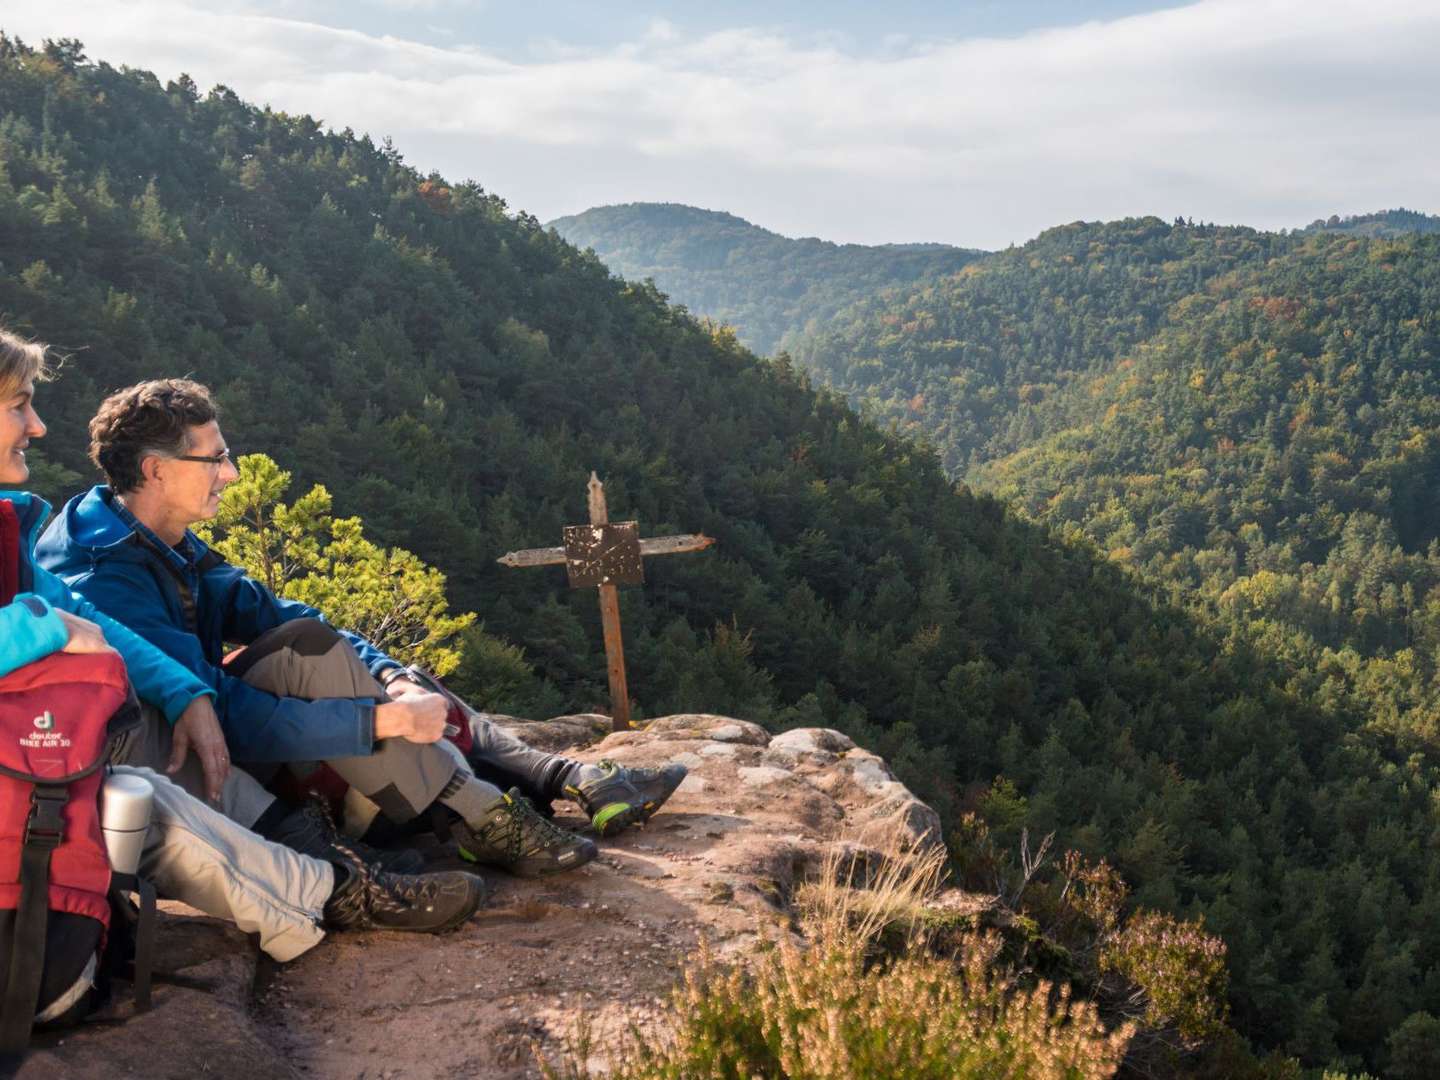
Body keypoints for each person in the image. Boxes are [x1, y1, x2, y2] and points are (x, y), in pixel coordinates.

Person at [38, 378, 687, 878]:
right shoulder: (101, 574)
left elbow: (283, 613)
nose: (231, 474)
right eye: (215, 458)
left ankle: (558, 780)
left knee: (364, 666)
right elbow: (219, 713)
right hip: (194, 773)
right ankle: (482, 816)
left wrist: (390, 677)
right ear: (155, 470)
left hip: (246, 742)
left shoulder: (158, 537)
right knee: (326, 666)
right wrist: (376, 721)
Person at [0, 327, 485, 988]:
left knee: (170, 766)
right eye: (20, 403)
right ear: (155, 471)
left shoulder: (18, 533)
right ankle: (336, 887)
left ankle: (350, 870)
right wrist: (40, 627)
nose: (36, 423)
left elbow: (95, 623)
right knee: (155, 801)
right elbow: (66, 616)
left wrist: (185, 692)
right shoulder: (96, 555)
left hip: (30, 765)